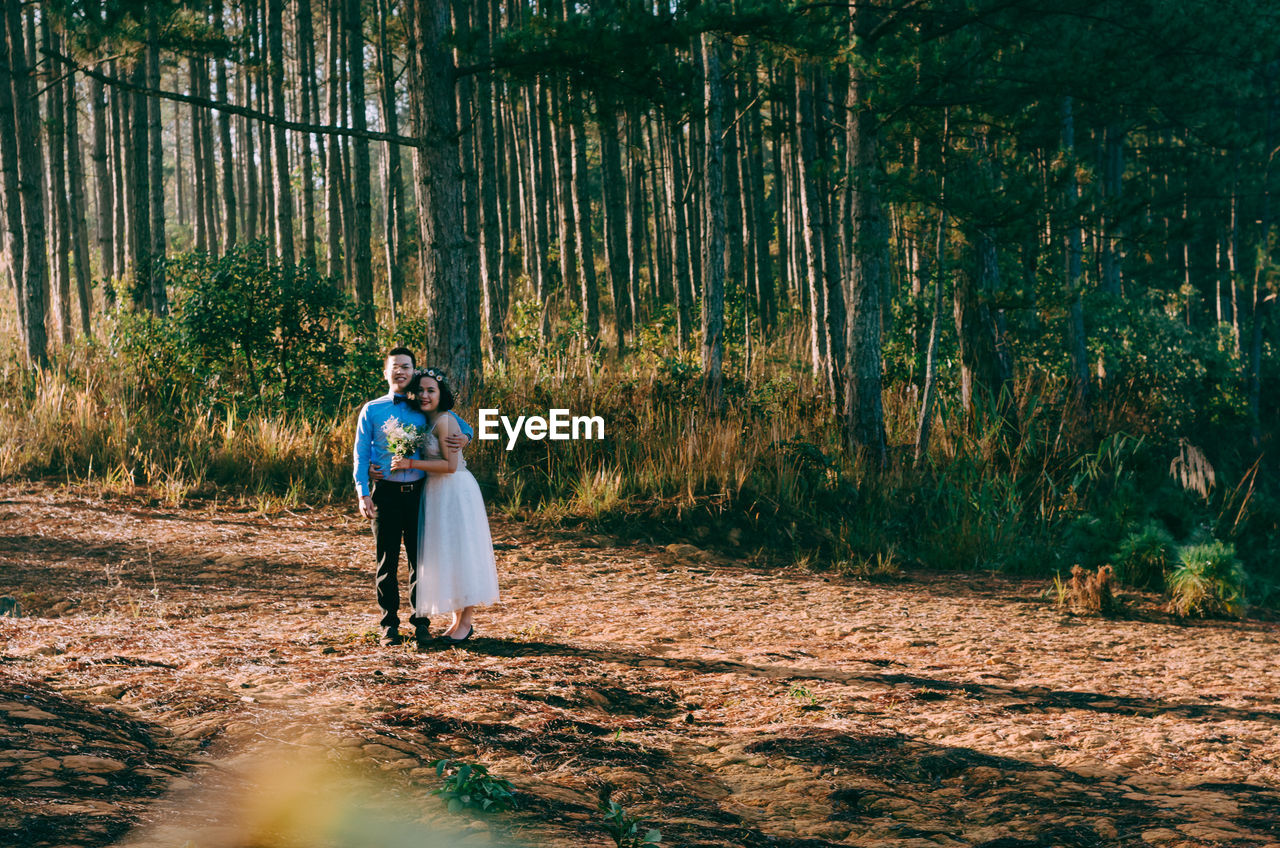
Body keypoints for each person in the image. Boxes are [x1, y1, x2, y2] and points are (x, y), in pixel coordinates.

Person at [352, 348, 473, 648]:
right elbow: (360, 453)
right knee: (387, 561)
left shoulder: (423, 405)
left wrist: (467, 435)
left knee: (422, 561)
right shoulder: (372, 409)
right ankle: (388, 625)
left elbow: (458, 423)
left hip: (419, 494)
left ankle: (421, 623)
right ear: (386, 372)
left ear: (413, 371)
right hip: (386, 494)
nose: (401, 372)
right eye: (395, 367)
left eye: (406, 366)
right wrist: (362, 491)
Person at [389, 368, 498, 644]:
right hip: (435, 492)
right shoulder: (426, 420)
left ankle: (466, 622)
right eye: (421, 391)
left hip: (454, 491)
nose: (425, 395)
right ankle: (455, 620)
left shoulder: (447, 420)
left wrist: (410, 463)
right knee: (447, 552)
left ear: (441, 394)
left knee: (462, 552)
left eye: (431, 391)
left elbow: (450, 466)